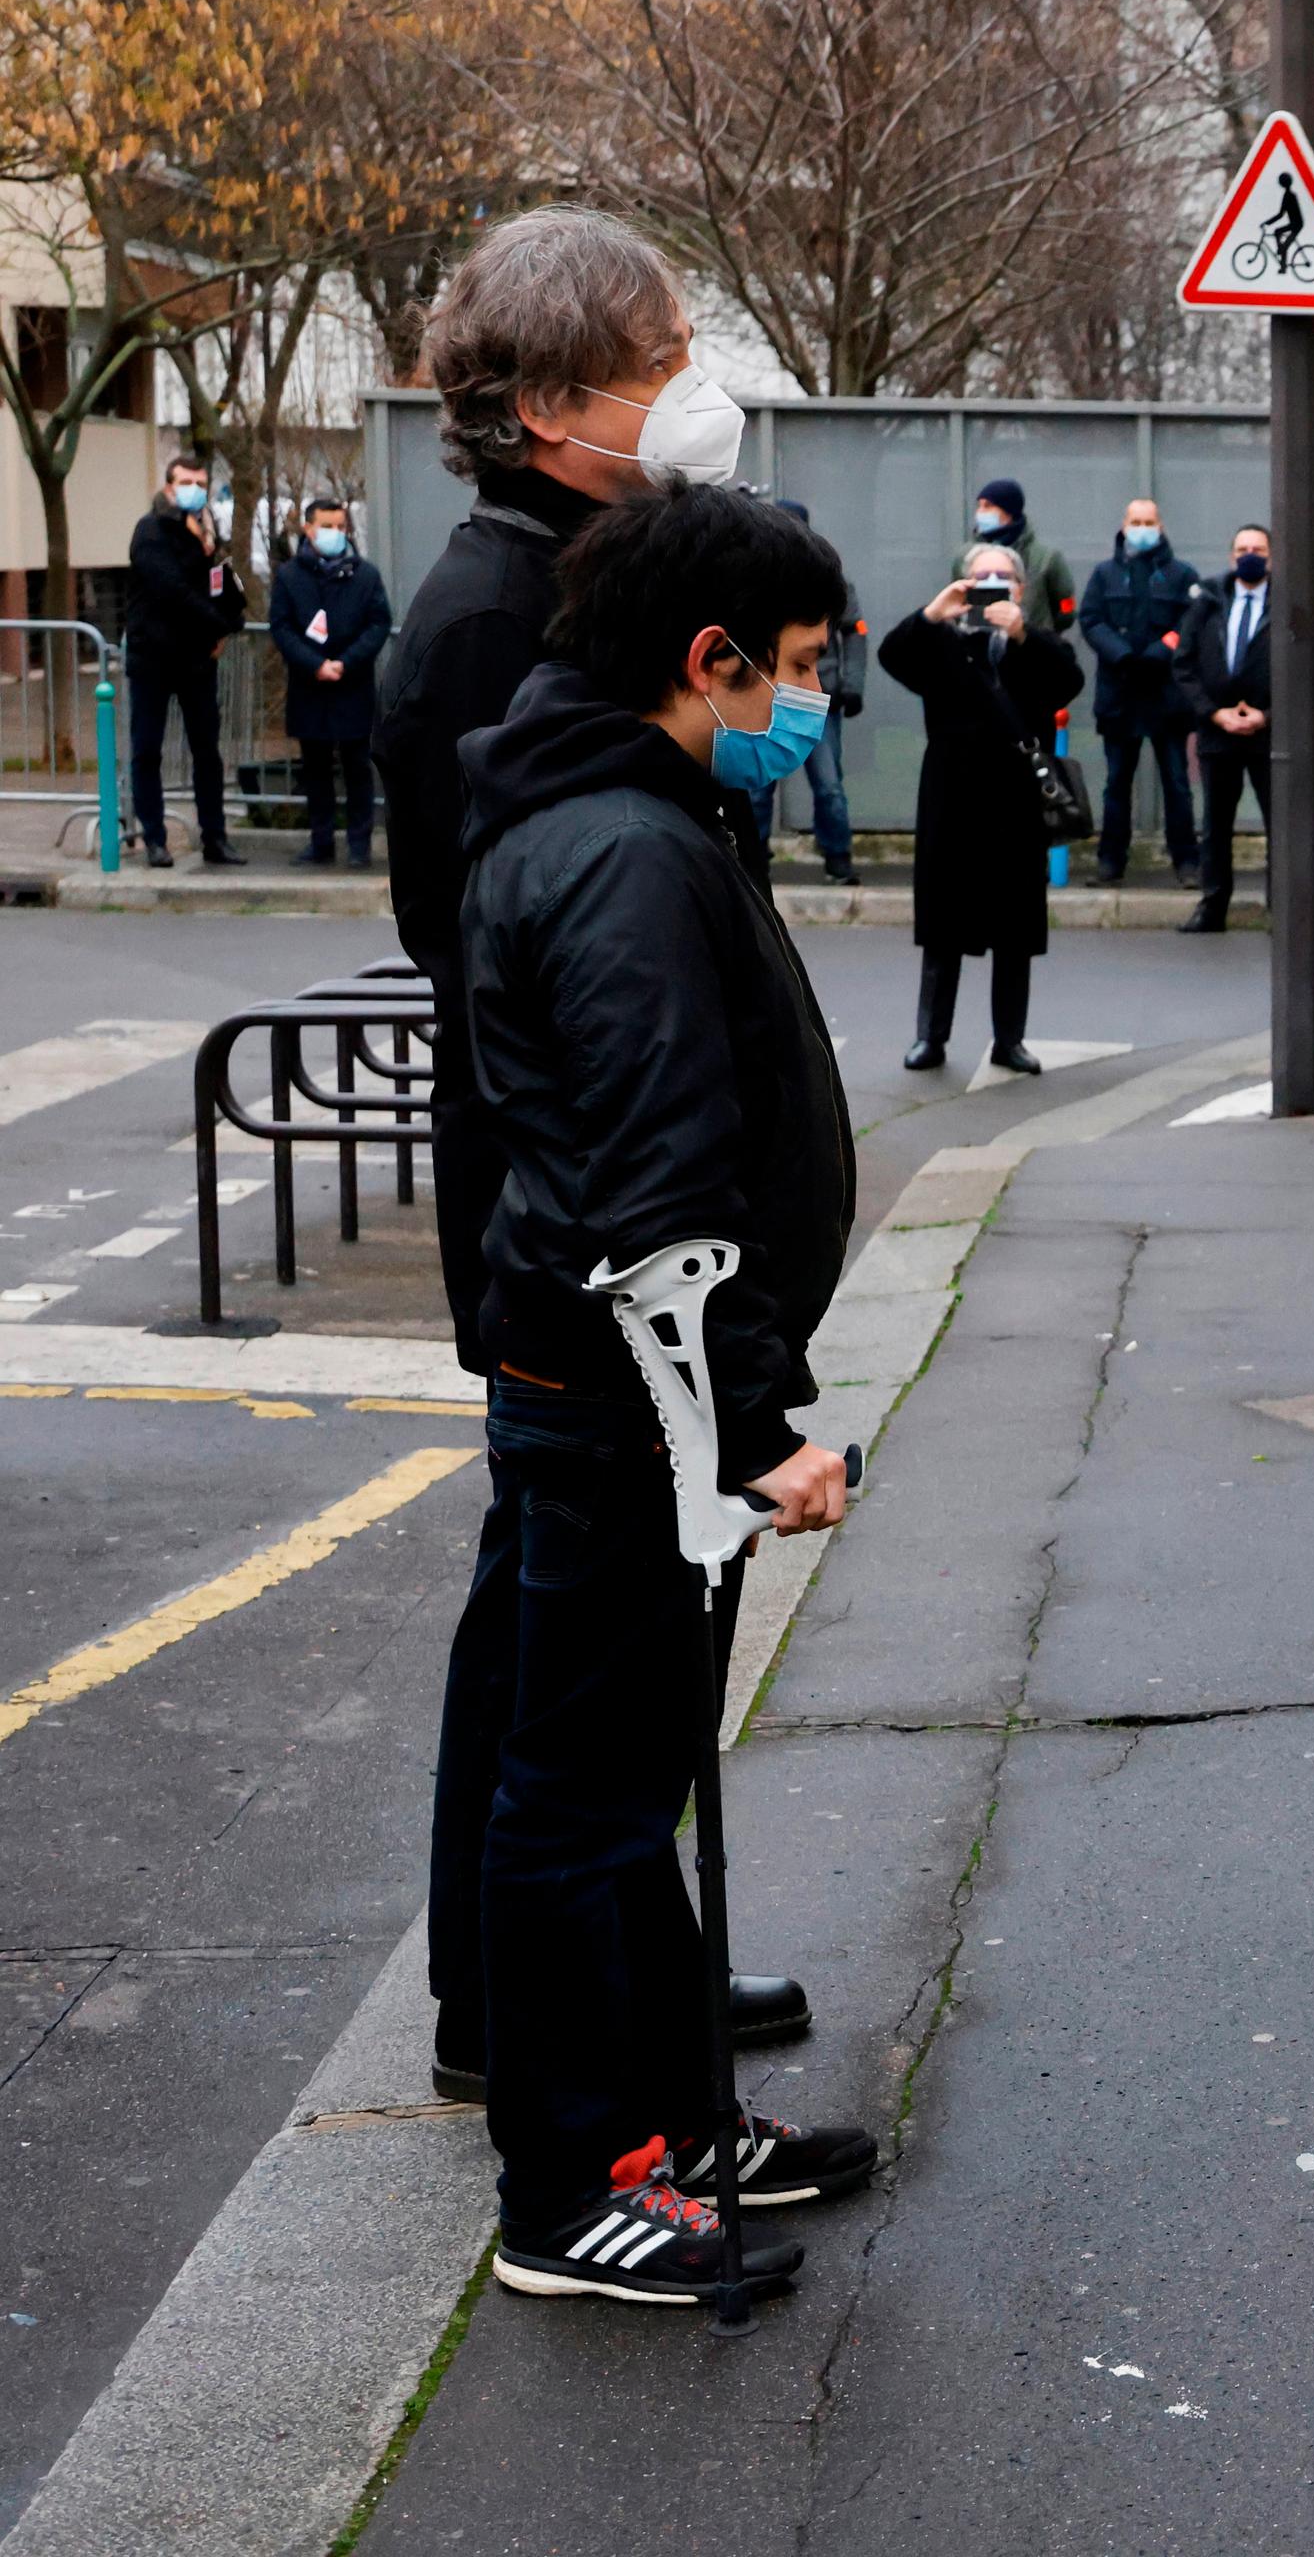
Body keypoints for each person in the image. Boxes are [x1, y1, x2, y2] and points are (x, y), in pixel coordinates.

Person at [368, 203, 814, 2110]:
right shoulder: (497, 617)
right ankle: (527, 2009)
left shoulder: (576, 567)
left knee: (612, 1648)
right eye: (664, 356)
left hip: (621, 1245)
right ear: (556, 406)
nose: (695, 387)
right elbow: (545, 969)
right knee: (563, 1642)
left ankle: (628, 1966)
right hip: (593, 1255)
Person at [449, 480, 877, 2306]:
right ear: (702, 663)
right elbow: (662, 1186)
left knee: (618, 1792)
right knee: (582, 1798)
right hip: (631, 1399)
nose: (807, 705)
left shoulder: (627, 814)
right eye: (790, 671)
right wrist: (760, 1430)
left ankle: (663, 2111)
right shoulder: (626, 850)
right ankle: (564, 2189)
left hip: (618, 1388)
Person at [880, 544, 1079, 1072]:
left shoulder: (1033, 643)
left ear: (1020, 587)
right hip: (952, 798)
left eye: (1003, 575)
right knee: (944, 927)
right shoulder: (940, 641)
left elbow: (1069, 681)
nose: (992, 582)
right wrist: (930, 614)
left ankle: (1009, 1040)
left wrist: (1022, 634)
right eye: (980, 575)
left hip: (1016, 802)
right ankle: (930, 1037)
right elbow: (891, 657)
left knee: (1015, 930)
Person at [125, 451, 245, 866]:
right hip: (153, 657)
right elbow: (172, 589)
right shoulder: (151, 530)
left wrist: (231, 617)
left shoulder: (206, 531)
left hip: (196, 660)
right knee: (147, 750)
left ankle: (215, 838)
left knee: (207, 751)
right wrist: (217, 624)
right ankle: (154, 839)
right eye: (186, 483)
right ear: (169, 487)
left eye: (200, 483)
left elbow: (215, 586)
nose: (195, 490)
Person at [1079, 497, 1199, 886]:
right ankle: (1111, 862)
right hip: (1120, 693)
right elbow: (1091, 620)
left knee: (1177, 783)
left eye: (1149, 521)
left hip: (1168, 696)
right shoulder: (1105, 574)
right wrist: (1122, 654)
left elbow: (1193, 621)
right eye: (1136, 521)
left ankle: (1187, 863)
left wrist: (1161, 650)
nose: (1143, 528)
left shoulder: (1182, 575)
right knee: (1116, 783)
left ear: (1160, 527)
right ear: (1124, 524)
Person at [268, 495, 391, 869]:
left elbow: (378, 623)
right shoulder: (289, 576)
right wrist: (315, 664)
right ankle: (320, 843)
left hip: (352, 686)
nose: (335, 533)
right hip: (310, 687)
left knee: (357, 769)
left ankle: (359, 846)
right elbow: (282, 627)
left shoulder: (365, 575)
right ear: (308, 528)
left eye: (340, 527)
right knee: (315, 771)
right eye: (327, 526)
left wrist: (345, 662)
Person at [1171, 522, 1275, 934]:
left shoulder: (1286, 600)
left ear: (1272, 556)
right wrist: (1214, 713)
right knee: (1215, 825)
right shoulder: (1208, 599)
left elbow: (1304, 665)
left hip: (1269, 734)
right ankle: (1212, 907)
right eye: (1243, 548)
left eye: (1259, 548)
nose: (1250, 555)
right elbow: (1184, 664)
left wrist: (1267, 714)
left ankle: (1282, 910)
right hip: (1217, 730)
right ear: (1232, 556)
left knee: (1279, 824)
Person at [766, 497, 864, 883]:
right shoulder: (754, 576)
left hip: (817, 696)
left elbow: (855, 633)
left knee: (828, 785)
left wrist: (851, 684)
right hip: (765, 693)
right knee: (757, 786)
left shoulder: (829, 579)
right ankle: (752, 858)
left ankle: (837, 856)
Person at [953, 477, 1078, 638]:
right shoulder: (965, 557)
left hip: (1031, 648)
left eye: (988, 506)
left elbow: (1066, 604)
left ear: (1009, 512)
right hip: (978, 644)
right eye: (980, 506)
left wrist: (1046, 632)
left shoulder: (1046, 558)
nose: (980, 512)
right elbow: (956, 601)